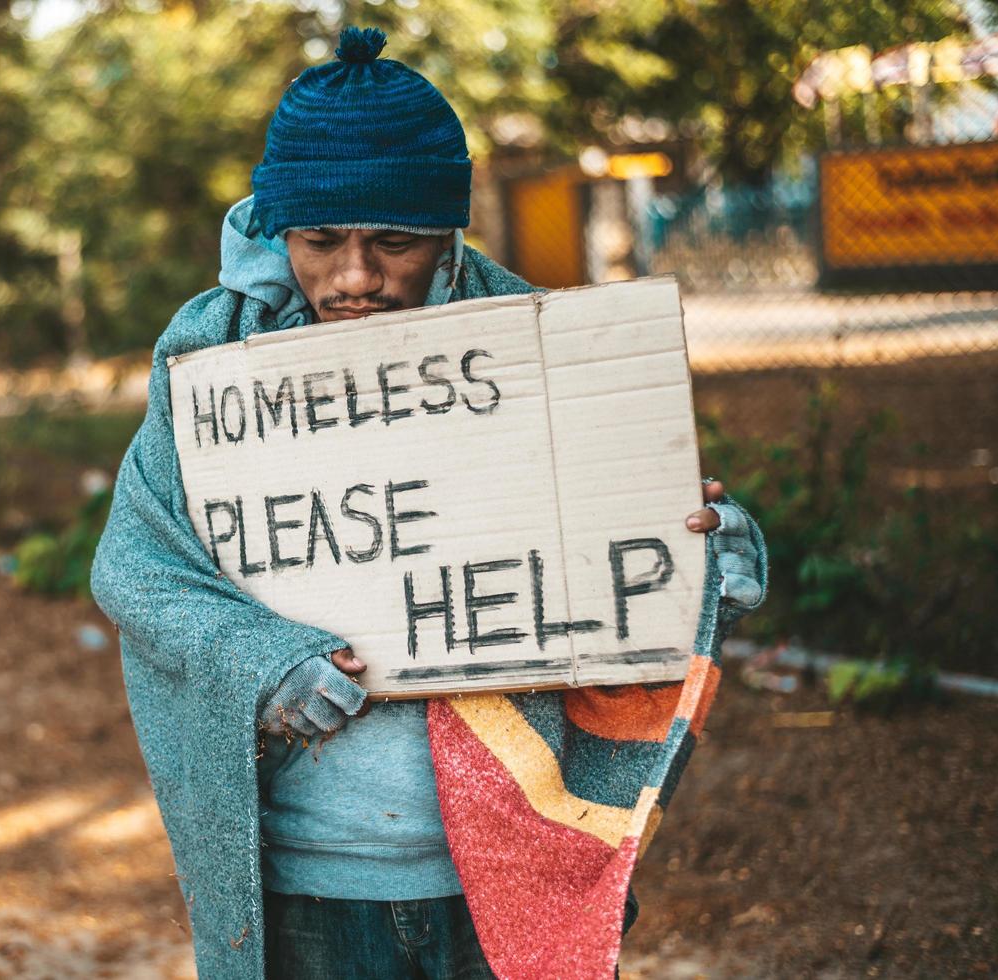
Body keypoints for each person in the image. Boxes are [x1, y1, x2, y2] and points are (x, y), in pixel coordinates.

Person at [91, 26, 766, 980]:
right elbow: (137, 567)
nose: (355, 278)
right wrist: (262, 664)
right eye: (320, 240)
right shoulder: (209, 361)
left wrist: (702, 565)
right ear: (281, 231)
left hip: (505, 871)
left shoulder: (537, 347)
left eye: (392, 241)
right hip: (308, 883)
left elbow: (621, 548)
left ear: (447, 233)